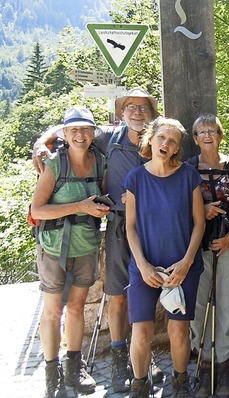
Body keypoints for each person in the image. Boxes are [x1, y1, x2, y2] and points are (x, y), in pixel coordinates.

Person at [32, 87, 165, 392]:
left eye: (143, 107)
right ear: (121, 113)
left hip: (150, 226)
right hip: (118, 225)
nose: (136, 112)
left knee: (147, 293)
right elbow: (76, 128)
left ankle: (143, 356)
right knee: (118, 296)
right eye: (130, 107)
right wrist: (43, 141)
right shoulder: (108, 137)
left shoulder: (159, 138)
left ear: (151, 113)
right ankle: (120, 361)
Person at [124, 117, 205, 397]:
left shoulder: (188, 176)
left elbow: (199, 223)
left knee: (179, 331)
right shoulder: (135, 178)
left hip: (182, 267)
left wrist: (187, 262)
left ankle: (180, 381)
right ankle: (139, 383)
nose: (165, 143)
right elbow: (130, 227)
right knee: (141, 331)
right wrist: (143, 265)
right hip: (144, 266)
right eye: (161, 137)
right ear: (150, 139)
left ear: (176, 148)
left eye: (172, 141)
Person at [31, 106, 110, 397]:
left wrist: (101, 208)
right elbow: (37, 209)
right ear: (65, 134)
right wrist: (81, 206)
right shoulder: (53, 165)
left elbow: (100, 199)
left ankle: (74, 367)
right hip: (54, 249)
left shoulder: (100, 162)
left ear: (93, 134)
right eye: (74, 129)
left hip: (85, 247)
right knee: (53, 311)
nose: (80, 134)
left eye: (85, 129)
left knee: (76, 308)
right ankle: (52, 375)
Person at [187, 115, 229, 398]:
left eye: (212, 130)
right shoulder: (186, 168)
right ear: (195, 137)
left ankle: (224, 364)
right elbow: (177, 203)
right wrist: (201, 208)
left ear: (221, 135)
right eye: (201, 131)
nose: (207, 135)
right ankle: (204, 362)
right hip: (196, 246)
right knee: (199, 306)